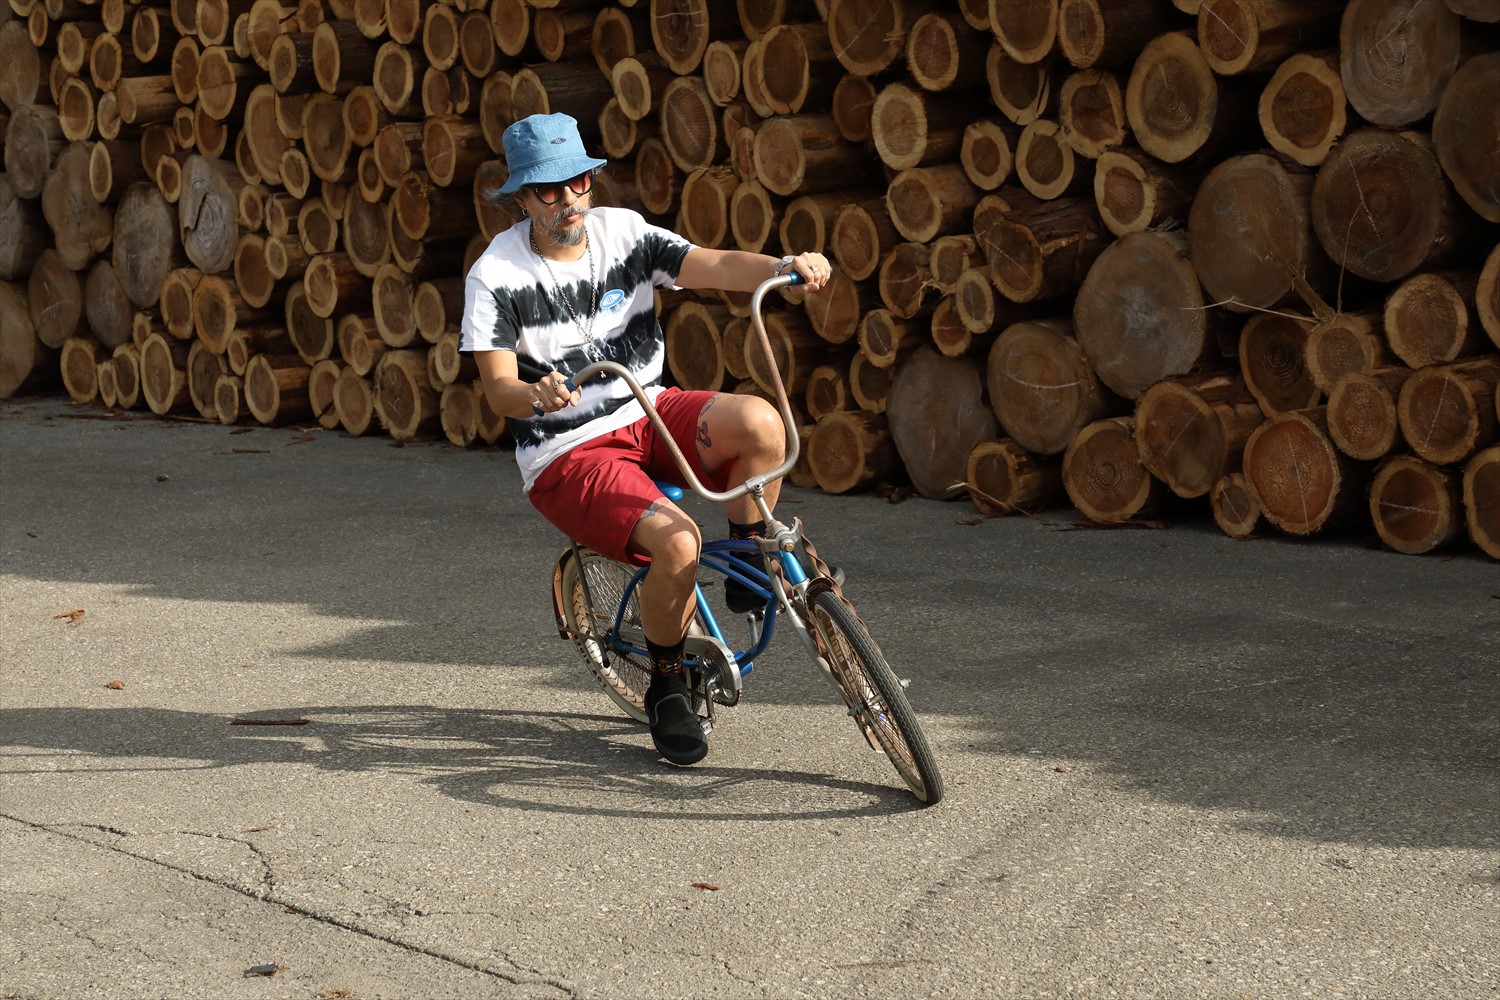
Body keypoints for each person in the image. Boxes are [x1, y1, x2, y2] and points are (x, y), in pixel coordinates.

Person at [460, 113, 831, 768]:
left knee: (763, 424)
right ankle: (666, 686)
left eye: (578, 181)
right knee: (680, 541)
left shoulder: (623, 233)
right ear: (522, 197)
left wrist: (784, 265)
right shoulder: (495, 275)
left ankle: (747, 563)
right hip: (567, 451)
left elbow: (709, 264)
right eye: (548, 190)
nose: (568, 199)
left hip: (646, 409)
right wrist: (533, 393)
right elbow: (496, 389)